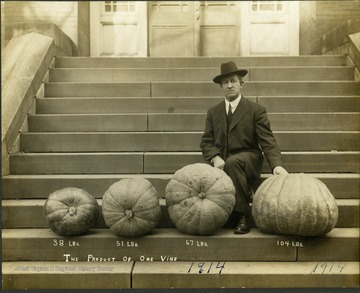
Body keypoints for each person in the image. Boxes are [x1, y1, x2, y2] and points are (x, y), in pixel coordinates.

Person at [200, 61, 288, 234]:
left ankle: (242, 215)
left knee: (233, 162)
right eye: (225, 82)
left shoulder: (256, 110)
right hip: (223, 162)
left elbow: (267, 140)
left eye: (233, 81)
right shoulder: (213, 112)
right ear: (221, 87)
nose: (229, 85)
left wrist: (276, 165)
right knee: (228, 163)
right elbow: (206, 141)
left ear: (241, 83)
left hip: (249, 159)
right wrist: (215, 157)